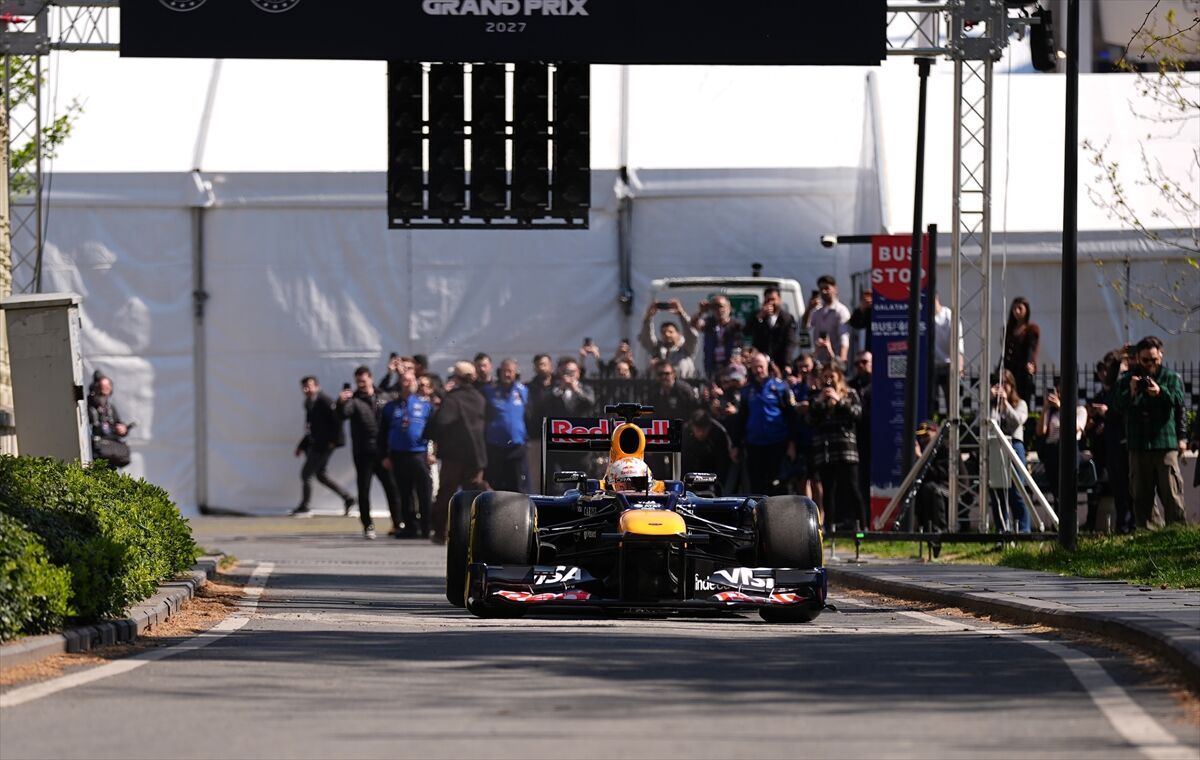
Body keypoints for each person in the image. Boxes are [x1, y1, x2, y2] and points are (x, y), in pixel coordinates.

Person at [1115, 335, 1187, 529]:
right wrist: (1131, 392)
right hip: (1138, 445)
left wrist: (1160, 392)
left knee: (1171, 491)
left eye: (1154, 360)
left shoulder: (1171, 377)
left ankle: (1177, 529)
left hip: (1164, 443)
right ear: (1138, 358)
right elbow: (1116, 406)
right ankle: (1148, 531)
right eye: (1145, 360)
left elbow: (1179, 401)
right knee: (1140, 494)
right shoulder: (1128, 379)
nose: (1150, 364)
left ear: (1161, 355)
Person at [427, 361, 489, 544]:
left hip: (454, 456)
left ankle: (440, 532)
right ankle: (475, 533)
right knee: (474, 495)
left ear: (456, 378)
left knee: (446, 493)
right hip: (476, 455)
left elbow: (441, 422)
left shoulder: (453, 399)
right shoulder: (479, 398)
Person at [337, 366, 399, 539]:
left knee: (392, 488)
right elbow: (342, 414)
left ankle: (398, 522)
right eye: (358, 382)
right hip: (363, 452)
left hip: (383, 451)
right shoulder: (354, 400)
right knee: (364, 490)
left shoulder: (383, 396)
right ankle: (367, 524)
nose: (361, 384)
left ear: (371, 379)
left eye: (363, 381)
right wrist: (341, 402)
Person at [807, 364, 865, 531]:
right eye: (825, 377)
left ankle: (862, 526)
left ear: (839, 377)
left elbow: (857, 414)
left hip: (846, 449)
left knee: (852, 487)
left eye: (831, 376)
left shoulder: (850, 393)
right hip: (825, 451)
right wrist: (819, 402)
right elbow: (810, 421)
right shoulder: (816, 397)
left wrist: (839, 400)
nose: (828, 380)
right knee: (828, 490)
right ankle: (830, 528)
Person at [379, 369, 437, 538]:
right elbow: (382, 433)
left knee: (424, 491)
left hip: (419, 454)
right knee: (404, 492)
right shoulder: (390, 407)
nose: (408, 383)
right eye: (405, 380)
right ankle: (410, 527)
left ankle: (427, 527)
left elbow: (435, 432)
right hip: (398, 454)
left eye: (411, 380)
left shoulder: (425, 406)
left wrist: (433, 453)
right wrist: (384, 456)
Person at [292, 376, 354, 518]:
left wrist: (334, 441)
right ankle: (347, 498)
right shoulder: (309, 403)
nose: (306, 390)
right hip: (316, 442)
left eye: (309, 386)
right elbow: (310, 427)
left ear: (317, 386)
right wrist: (302, 445)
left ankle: (305, 506)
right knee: (321, 475)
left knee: (306, 473)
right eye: (304, 387)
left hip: (325, 444)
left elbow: (338, 420)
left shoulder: (325, 401)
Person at [734, 353, 796, 497]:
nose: (758, 370)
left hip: (777, 444)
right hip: (754, 445)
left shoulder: (780, 387)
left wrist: (792, 444)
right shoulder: (747, 391)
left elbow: (791, 417)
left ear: (767, 366)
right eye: (755, 367)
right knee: (756, 487)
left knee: (778, 486)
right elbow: (741, 419)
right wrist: (736, 444)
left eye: (761, 367)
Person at [1036, 376, 1087, 509]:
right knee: (1056, 489)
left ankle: (1068, 515)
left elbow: (1074, 428)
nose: (1059, 395)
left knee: (1068, 488)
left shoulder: (1080, 410)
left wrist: (1060, 407)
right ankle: (1057, 515)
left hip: (1069, 450)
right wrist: (1045, 408)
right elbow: (1041, 431)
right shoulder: (1051, 412)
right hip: (1052, 451)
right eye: (1057, 391)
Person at [991, 370, 1031, 533]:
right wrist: (991, 401)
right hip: (996, 446)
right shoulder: (992, 405)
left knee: (1016, 490)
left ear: (1011, 385)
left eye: (1005, 383)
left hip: (1014, 445)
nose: (1002, 387)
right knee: (997, 490)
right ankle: (1002, 529)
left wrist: (1005, 404)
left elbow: (1017, 421)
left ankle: (1023, 529)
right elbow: (986, 423)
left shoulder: (1021, 404)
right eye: (998, 383)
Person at [483, 358, 530, 493]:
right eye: (504, 371)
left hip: (517, 446)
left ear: (516, 373)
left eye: (510, 371)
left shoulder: (523, 391)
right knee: (496, 486)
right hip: (495, 446)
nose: (507, 374)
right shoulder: (489, 391)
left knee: (518, 486)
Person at [913, 419, 950, 555]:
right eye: (921, 437)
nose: (923, 440)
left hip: (951, 488)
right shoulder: (928, 449)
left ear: (935, 432)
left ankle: (939, 534)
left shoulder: (945, 447)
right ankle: (923, 530)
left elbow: (941, 474)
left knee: (931, 490)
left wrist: (920, 458)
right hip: (935, 486)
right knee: (922, 489)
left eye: (926, 436)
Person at [639, 299, 700, 379]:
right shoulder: (657, 349)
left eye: (671, 332)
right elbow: (646, 338)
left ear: (679, 334)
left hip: (683, 384)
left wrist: (681, 313)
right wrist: (648, 317)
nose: (667, 334)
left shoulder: (686, 349)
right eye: (663, 332)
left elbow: (691, 335)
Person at [681, 409, 734, 495]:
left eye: (704, 430)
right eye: (698, 430)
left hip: (712, 469)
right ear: (692, 427)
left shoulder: (719, 433)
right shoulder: (685, 433)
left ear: (709, 427)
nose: (701, 434)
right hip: (692, 469)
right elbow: (683, 461)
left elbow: (723, 463)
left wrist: (717, 483)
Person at [524, 353, 556, 492]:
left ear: (550, 366)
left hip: (556, 437)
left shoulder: (558, 385)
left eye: (544, 364)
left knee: (556, 474)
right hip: (536, 437)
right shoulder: (529, 388)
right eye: (538, 365)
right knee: (537, 475)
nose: (541, 368)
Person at [690, 295, 744, 378]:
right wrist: (701, 312)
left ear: (729, 308)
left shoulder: (735, 326)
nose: (718, 310)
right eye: (715, 307)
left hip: (730, 366)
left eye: (721, 306)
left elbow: (738, 346)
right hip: (712, 366)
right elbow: (693, 324)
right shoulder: (709, 324)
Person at [746, 286, 798, 371]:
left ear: (779, 300)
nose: (770, 303)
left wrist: (787, 363)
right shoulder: (757, 315)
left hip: (780, 361)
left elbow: (790, 342)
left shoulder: (787, 318)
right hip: (761, 361)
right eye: (767, 300)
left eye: (773, 299)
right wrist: (759, 317)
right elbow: (747, 331)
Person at [87, 371, 132, 468]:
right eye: (101, 392)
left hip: (110, 451)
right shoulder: (88, 406)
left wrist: (123, 429)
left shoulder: (110, 408)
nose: (103, 396)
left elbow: (118, 424)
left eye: (106, 392)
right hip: (94, 451)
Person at [806, 276, 851, 368]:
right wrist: (809, 309)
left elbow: (844, 338)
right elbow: (805, 327)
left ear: (835, 289)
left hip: (834, 361)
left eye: (827, 288)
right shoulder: (817, 311)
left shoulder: (841, 311)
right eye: (821, 289)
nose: (824, 292)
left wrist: (841, 362)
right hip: (818, 361)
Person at [1001, 296, 1039, 404]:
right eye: (1014, 309)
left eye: (1020, 308)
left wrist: (1030, 364)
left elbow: (1031, 349)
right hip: (1010, 369)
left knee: (1022, 398)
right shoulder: (1008, 330)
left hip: (1023, 370)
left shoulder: (1031, 329)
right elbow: (1005, 351)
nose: (1017, 311)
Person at [932, 292, 964, 415]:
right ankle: (931, 425)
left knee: (952, 403)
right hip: (932, 365)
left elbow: (959, 342)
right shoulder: (924, 317)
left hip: (949, 365)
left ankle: (952, 425)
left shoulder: (950, 316)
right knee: (931, 402)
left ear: (937, 297)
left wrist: (960, 366)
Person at [848, 351, 872, 511]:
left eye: (864, 362)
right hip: (856, 440)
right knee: (858, 483)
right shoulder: (851, 386)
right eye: (857, 364)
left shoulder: (880, 384)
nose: (860, 366)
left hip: (875, 437)